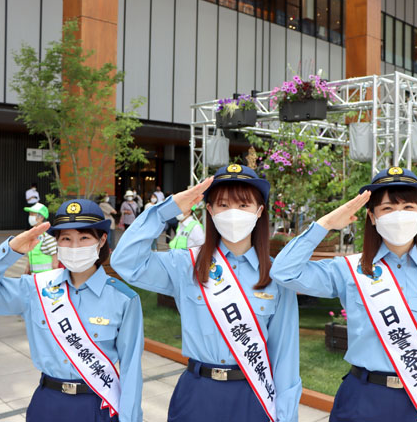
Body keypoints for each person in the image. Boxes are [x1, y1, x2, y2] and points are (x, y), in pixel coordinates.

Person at [271, 167, 417, 422]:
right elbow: (284, 271)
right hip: (361, 399)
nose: (398, 216)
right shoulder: (349, 271)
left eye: (408, 207)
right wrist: (326, 224)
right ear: (372, 216)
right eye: (387, 209)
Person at [111, 165, 302, 422]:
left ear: (259, 212)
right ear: (209, 211)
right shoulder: (186, 265)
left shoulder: (275, 275)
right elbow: (125, 262)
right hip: (197, 394)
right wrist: (168, 209)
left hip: (253, 395)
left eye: (243, 205)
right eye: (223, 205)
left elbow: (285, 356)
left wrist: (286, 417)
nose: (233, 213)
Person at [0, 199, 143, 422]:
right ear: (57, 242)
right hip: (47, 404)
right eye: (66, 239)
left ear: (101, 240)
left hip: (98, 405)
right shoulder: (35, 289)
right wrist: (10, 251)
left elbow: (131, 370)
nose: (75, 247)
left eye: (84, 238)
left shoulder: (123, 299)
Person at [23, 203, 58, 273]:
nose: (30, 217)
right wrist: (27, 271)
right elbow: (31, 256)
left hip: (47, 278)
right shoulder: (33, 234)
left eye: (32, 214)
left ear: (41, 217)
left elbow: (55, 259)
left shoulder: (48, 234)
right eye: (30, 214)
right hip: (35, 278)